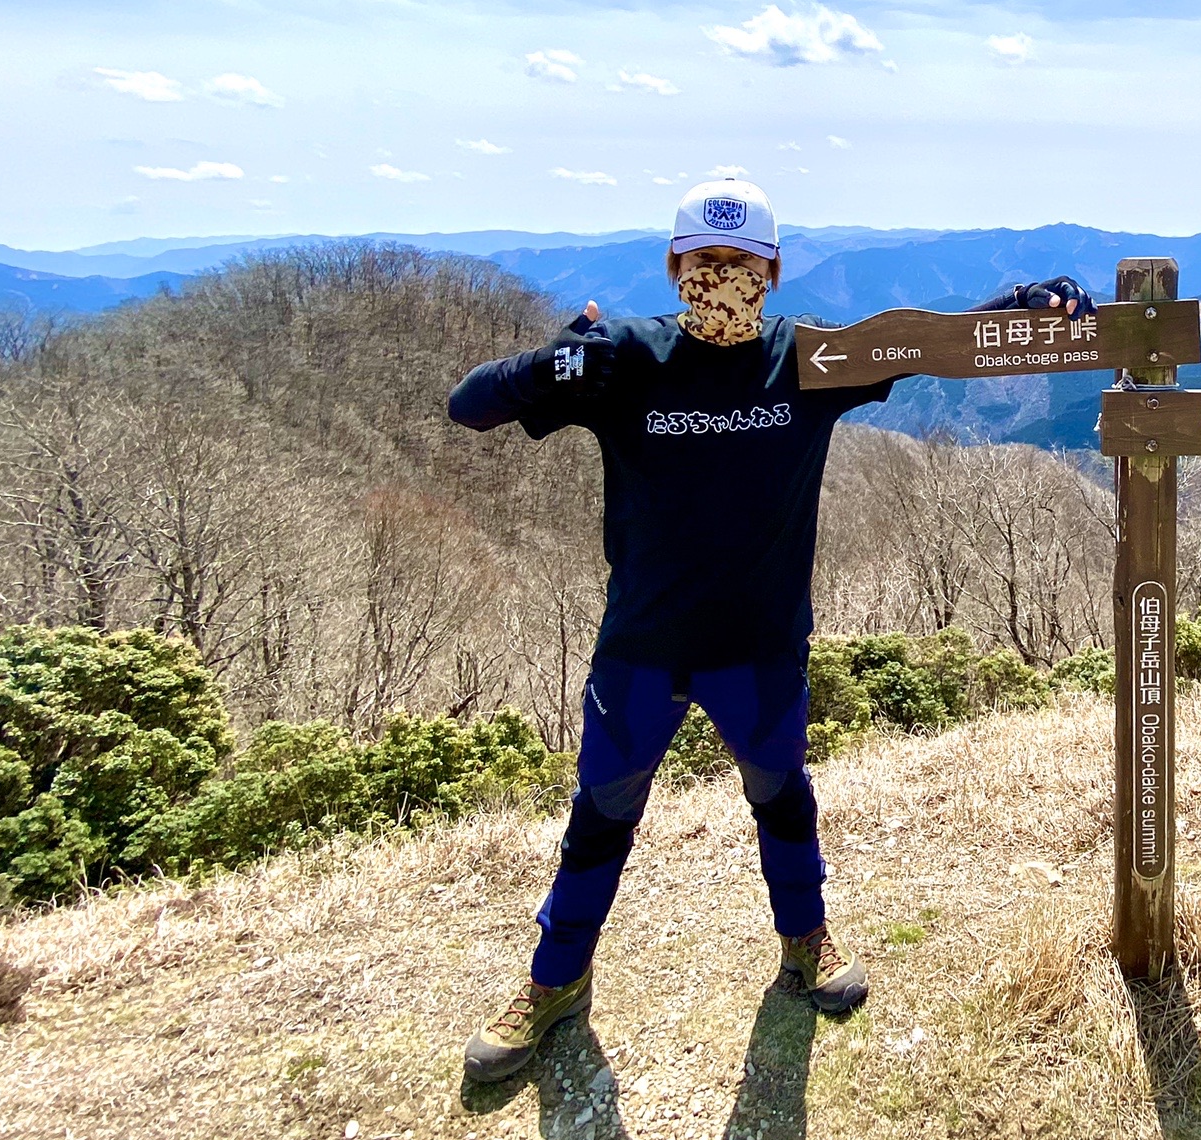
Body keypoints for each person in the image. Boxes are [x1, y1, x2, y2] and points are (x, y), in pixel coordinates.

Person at [448, 177, 1096, 1082]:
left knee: (781, 798)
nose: (723, 280)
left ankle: (806, 942)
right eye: (705, 263)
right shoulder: (623, 359)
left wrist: (1025, 304)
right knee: (599, 819)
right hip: (642, 648)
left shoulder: (809, 361)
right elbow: (467, 405)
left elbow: (924, 348)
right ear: (675, 267)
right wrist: (548, 364)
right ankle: (554, 982)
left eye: (743, 263)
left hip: (760, 648)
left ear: (775, 271)